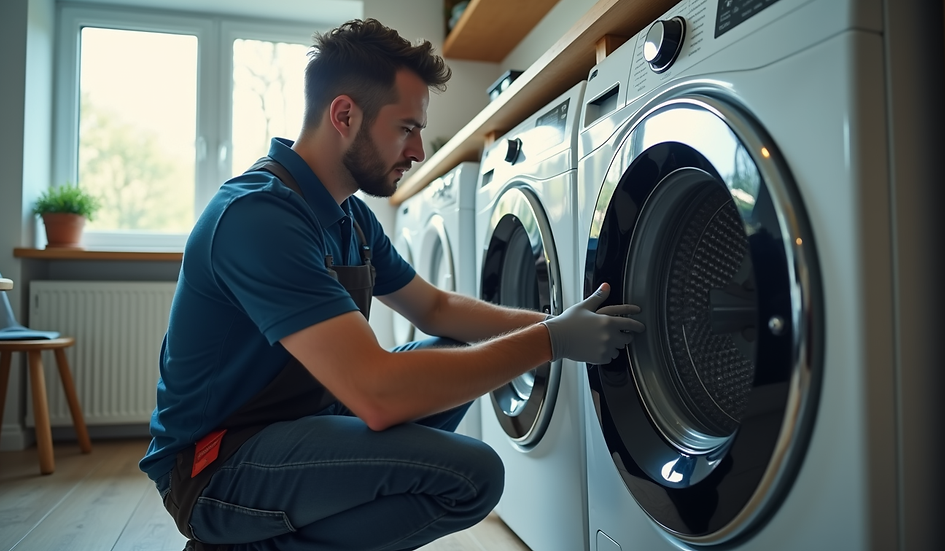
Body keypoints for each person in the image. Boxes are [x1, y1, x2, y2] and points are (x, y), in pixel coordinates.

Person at [140, 18, 644, 551]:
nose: (419, 151)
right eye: (406, 128)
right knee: (474, 477)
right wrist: (551, 343)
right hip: (217, 466)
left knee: (454, 346)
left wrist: (561, 325)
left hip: (303, 422)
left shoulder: (349, 216)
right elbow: (377, 394)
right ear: (344, 115)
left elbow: (437, 307)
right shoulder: (257, 216)